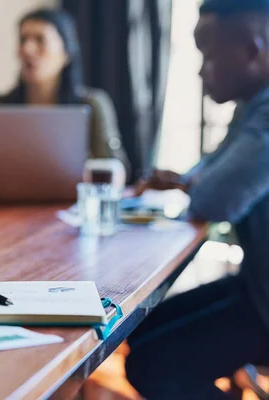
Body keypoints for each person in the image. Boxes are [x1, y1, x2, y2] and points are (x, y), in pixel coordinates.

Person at [125, 0, 269, 398]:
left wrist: (194, 183)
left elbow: (216, 198)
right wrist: (188, 180)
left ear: (252, 51)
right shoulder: (252, 108)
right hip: (255, 285)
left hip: (264, 304)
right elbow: (211, 169)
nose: (201, 70)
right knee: (142, 329)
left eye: (208, 56)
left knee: (151, 365)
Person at [0, 8, 130, 173]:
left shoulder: (91, 105)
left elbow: (114, 169)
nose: (28, 49)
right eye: (23, 40)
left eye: (40, 40)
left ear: (66, 52)